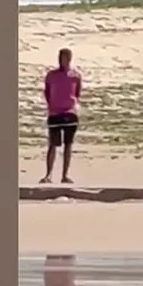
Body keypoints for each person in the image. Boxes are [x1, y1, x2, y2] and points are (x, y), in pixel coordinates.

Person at [41, 48, 82, 184]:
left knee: (68, 145)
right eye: (62, 57)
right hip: (55, 113)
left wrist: (71, 105)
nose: (64, 60)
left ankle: (65, 175)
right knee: (53, 144)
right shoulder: (51, 75)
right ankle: (48, 175)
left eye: (67, 58)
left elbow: (77, 93)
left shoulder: (75, 76)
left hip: (70, 113)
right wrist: (53, 105)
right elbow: (47, 92)